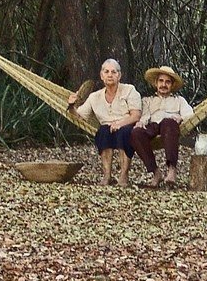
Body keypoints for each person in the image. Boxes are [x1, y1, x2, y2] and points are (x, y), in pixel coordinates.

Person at [68, 59, 141, 187]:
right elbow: (79, 116)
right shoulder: (94, 97)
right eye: (106, 72)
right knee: (103, 132)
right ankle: (107, 175)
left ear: (119, 75)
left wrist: (120, 123)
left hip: (127, 125)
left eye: (114, 72)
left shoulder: (129, 90)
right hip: (107, 127)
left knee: (123, 133)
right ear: (102, 76)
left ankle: (123, 175)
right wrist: (71, 106)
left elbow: (136, 115)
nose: (110, 75)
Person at [131, 65, 194, 187]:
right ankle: (155, 172)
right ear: (156, 83)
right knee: (135, 133)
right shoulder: (147, 100)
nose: (164, 85)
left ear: (172, 85)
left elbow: (189, 114)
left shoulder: (179, 100)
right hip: (153, 126)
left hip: (170, 127)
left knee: (168, 122)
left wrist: (180, 118)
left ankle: (172, 168)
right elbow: (144, 116)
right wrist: (141, 123)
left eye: (167, 82)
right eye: (161, 81)